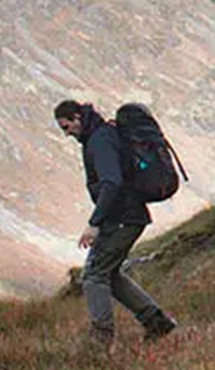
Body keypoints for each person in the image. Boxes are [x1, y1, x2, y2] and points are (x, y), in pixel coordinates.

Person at [55, 99, 179, 348]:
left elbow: (111, 183)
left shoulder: (100, 140)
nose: (67, 134)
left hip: (123, 217)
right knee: (108, 273)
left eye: (67, 127)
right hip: (126, 217)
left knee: (94, 275)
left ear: (78, 117)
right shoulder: (100, 136)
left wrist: (94, 223)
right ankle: (157, 323)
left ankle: (100, 340)